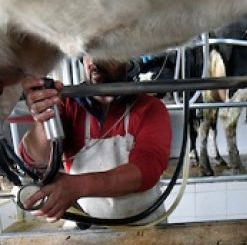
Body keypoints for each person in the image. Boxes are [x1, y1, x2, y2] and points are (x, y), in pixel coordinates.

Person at [19, 57, 172, 223]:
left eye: (106, 51)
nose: (94, 60)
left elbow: (146, 170)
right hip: (86, 222)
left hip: (145, 225)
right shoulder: (68, 105)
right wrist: (42, 118)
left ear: (128, 59)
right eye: (88, 52)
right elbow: (36, 159)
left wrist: (78, 186)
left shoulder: (149, 107)